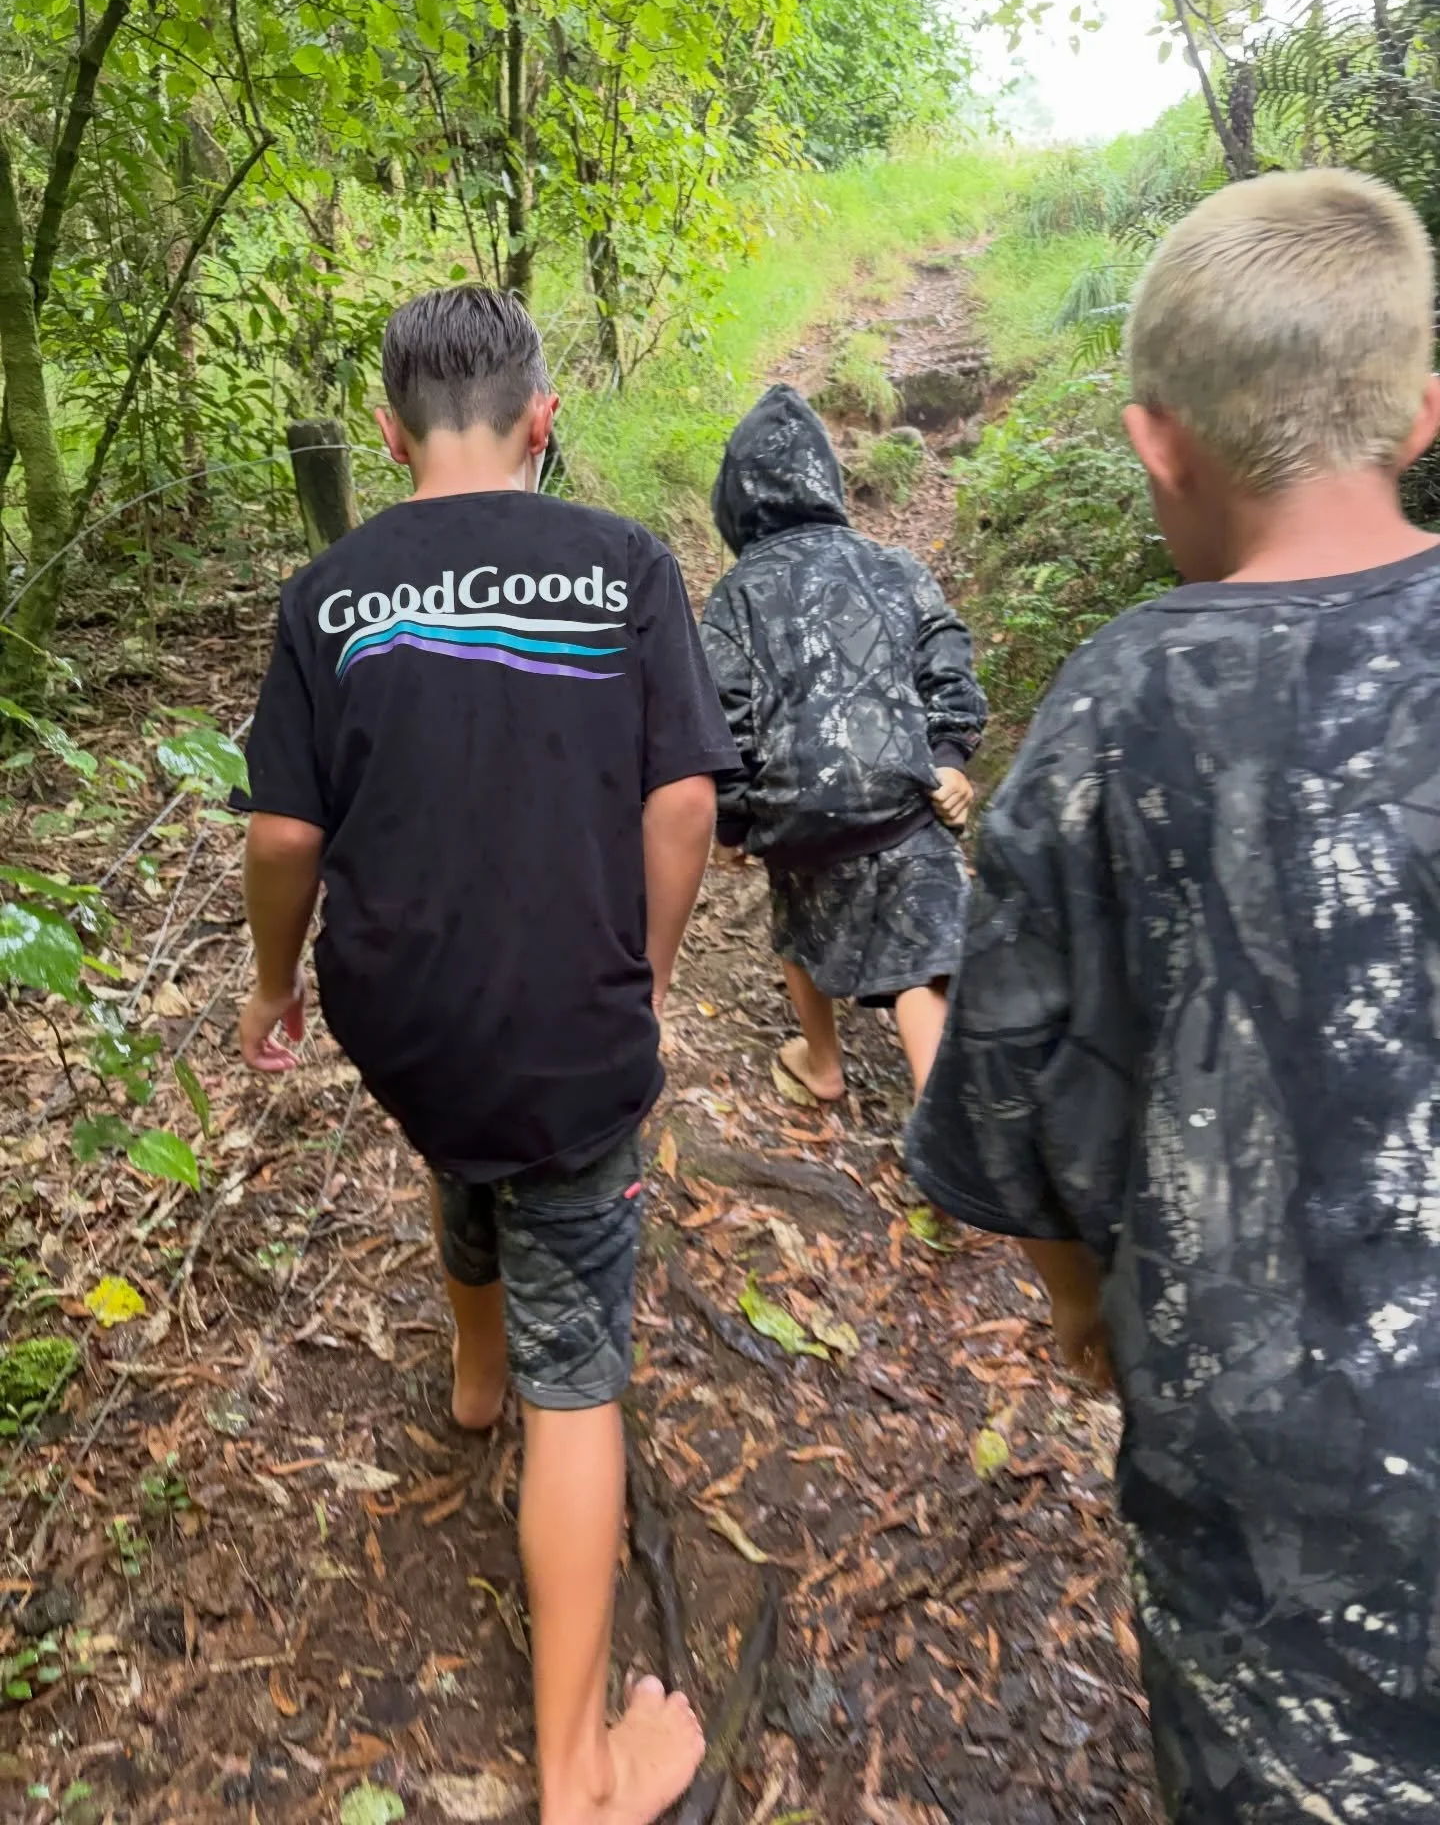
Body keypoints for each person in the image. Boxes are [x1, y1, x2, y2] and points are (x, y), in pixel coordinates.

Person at [908, 167, 1440, 1822]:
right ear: (1423, 413)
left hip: (1262, 1491)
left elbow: (1010, 1074)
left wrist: (1079, 1301)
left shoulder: (1115, 711)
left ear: (1157, 441)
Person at [232, 285, 737, 1825]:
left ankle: (469, 1374)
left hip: (407, 1022)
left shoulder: (328, 595)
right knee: (577, 1379)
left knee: (467, 1127)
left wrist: (271, 991)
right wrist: (640, 974)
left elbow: (282, 833)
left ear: (389, 437)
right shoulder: (628, 566)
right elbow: (687, 808)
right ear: (545, 420)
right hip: (569, 1021)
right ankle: (581, 1773)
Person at [698, 384, 987, 1104]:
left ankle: (822, 1063)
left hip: (802, 814)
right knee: (924, 961)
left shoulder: (736, 594)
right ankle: (940, 1120)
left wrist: (733, 818)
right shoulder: (892, 564)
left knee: (800, 927)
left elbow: (722, 708)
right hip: (903, 797)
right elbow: (943, 650)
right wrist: (949, 755)